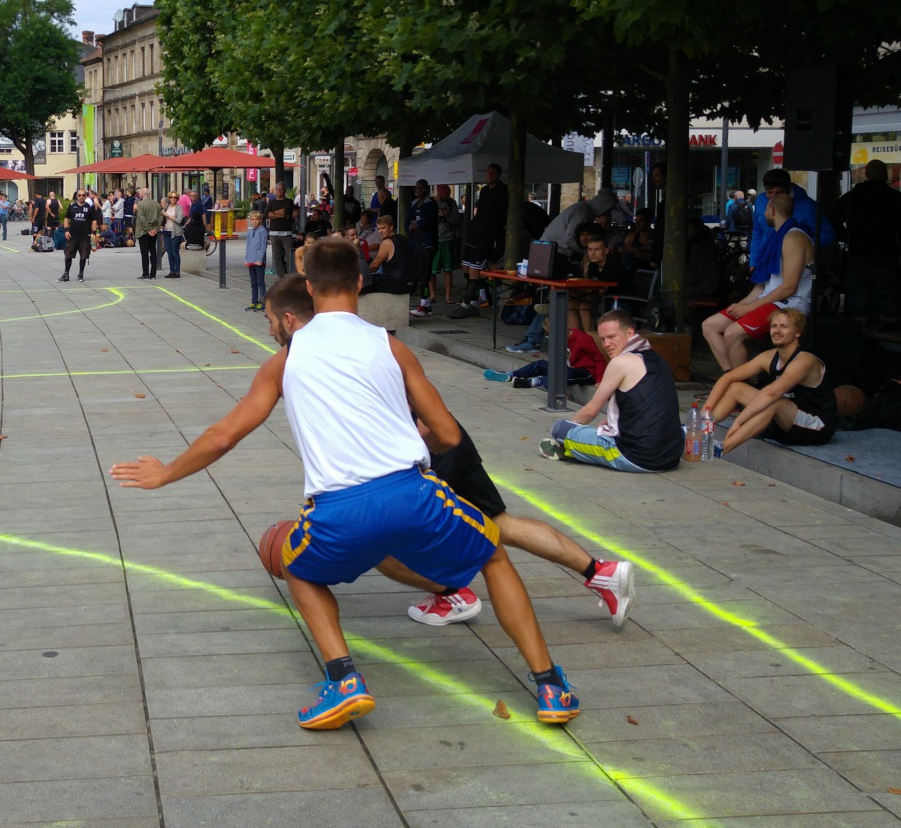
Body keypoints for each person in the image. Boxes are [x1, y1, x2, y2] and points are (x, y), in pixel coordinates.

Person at [110, 239, 582, 728]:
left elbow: (224, 435)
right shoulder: (391, 346)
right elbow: (447, 434)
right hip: (413, 490)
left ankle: (343, 681)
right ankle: (550, 687)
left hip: (338, 507)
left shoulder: (285, 361)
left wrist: (166, 473)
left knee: (297, 566)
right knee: (493, 554)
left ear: (309, 289)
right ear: (360, 283)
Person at [266, 274, 636, 628]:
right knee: (499, 525)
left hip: (422, 454)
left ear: (291, 319)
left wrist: (405, 461)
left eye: (271, 321)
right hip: (446, 439)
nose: (269, 331)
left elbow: (421, 425)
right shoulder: (357, 340)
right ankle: (600, 572)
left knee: (379, 541)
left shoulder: (321, 354)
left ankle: (453, 594)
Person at [540, 309, 681, 472]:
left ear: (629, 333)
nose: (606, 344)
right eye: (602, 339)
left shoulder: (620, 362)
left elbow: (590, 412)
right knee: (602, 425)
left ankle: (571, 448)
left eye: (612, 337)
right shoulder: (656, 358)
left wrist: (569, 431)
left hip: (635, 457)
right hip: (671, 458)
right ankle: (579, 450)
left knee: (560, 429)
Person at [703, 308, 837, 457]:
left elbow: (771, 393)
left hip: (816, 427)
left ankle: (720, 449)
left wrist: (738, 421)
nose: (777, 330)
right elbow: (727, 378)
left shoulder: (805, 360)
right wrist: (703, 414)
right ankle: (699, 429)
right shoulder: (769, 356)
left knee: (773, 401)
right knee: (736, 387)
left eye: (784, 326)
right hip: (784, 421)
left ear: (797, 332)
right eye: (774, 326)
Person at [702, 193, 814, 370]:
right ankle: (731, 378)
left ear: (771, 210)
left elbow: (789, 287)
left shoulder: (793, 238)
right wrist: (742, 304)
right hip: (771, 300)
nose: (762, 214)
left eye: (764, 210)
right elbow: (763, 284)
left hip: (790, 304)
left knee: (732, 334)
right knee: (710, 326)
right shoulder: (776, 237)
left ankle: (741, 385)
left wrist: (749, 308)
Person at [830, 159, 901, 330]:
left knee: (857, 305)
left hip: (857, 254)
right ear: (886, 176)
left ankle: (859, 344)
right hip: (885, 255)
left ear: (867, 175)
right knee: (891, 304)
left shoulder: (852, 197)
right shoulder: (894, 198)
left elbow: (834, 221)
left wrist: (848, 238)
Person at [749, 169, 835, 275]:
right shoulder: (761, 201)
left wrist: (803, 246)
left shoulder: (808, 207)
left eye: (779, 193)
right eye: (770, 193)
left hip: (794, 265)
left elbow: (828, 234)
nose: (774, 197)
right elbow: (758, 233)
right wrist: (754, 262)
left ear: (788, 188)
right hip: (766, 263)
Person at [452, 164, 509, 318]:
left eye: (492, 173)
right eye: (487, 172)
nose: (489, 175)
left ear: (498, 174)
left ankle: (467, 303)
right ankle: (476, 301)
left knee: (476, 270)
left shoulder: (502, 192)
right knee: (469, 268)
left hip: (488, 235)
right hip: (476, 232)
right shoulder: (484, 191)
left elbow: (500, 216)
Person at [485, 320, 606, 388]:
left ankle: (532, 382)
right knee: (540, 364)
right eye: (549, 334)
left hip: (588, 373)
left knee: (564, 374)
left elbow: (599, 359)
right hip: (572, 368)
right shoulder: (561, 339)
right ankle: (510, 375)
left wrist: (600, 380)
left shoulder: (582, 338)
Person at [407, 178, 439, 318]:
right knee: (419, 274)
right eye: (417, 188)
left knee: (424, 276)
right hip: (416, 242)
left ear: (427, 189)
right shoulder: (414, 204)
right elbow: (407, 222)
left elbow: (424, 222)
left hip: (427, 243)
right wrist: (412, 225)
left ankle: (425, 305)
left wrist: (417, 224)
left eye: (422, 188)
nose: (419, 190)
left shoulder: (431, 204)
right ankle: (425, 304)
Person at [364, 215, 414, 295]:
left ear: (391, 227)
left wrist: (363, 273)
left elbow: (375, 265)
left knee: (364, 281)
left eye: (383, 228)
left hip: (397, 283)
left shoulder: (386, 242)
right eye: (378, 228)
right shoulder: (403, 238)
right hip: (411, 283)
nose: (380, 231)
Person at [58, 189, 97, 283]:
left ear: (86, 196)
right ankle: (66, 274)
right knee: (68, 255)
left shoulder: (90, 207)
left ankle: (81, 274)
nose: (81, 197)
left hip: (85, 236)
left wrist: (94, 233)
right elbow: (67, 218)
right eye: (79, 195)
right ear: (76, 196)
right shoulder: (72, 206)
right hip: (73, 235)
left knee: (84, 256)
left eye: (83, 195)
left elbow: (94, 220)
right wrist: (66, 230)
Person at [433, 184, 462, 304]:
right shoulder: (431, 203)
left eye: (449, 194)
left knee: (448, 269)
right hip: (435, 240)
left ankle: (448, 296)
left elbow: (457, 220)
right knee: (432, 270)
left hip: (448, 239)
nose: (448, 196)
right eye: (445, 194)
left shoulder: (452, 203)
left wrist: (447, 214)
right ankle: (432, 295)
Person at [267, 182, 296, 278]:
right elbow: (266, 214)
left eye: (281, 189)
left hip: (286, 233)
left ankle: (291, 277)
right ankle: (281, 277)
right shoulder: (272, 202)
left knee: (289, 256)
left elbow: (287, 211)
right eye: (277, 189)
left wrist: (273, 213)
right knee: (277, 256)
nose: (279, 191)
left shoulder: (289, 202)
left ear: (284, 190)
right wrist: (281, 214)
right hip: (274, 233)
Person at [134, 187, 161, 280]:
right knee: (153, 251)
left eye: (140, 193)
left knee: (144, 253)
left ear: (143, 194)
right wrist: (156, 229)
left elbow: (141, 218)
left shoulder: (140, 204)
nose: (139, 194)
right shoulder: (157, 204)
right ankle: (153, 274)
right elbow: (160, 217)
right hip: (154, 231)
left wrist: (148, 229)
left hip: (143, 231)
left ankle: (145, 273)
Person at [244, 209, 269, 310]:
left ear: (260, 220)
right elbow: (248, 245)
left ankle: (263, 301)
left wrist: (260, 259)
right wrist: (247, 259)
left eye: (256, 219)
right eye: (252, 219)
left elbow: (263, 246)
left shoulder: (262, 231)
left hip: (259, 261)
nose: (254, 221)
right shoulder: (250, 232)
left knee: (260, 282)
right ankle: (254, 301)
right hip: (251, 260)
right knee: (253, 282)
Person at [162, 191, 185, 279]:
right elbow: (162, 215)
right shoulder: (167, 206)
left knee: (175, 252)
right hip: (167, 231)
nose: (173, 199)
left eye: (175, 197)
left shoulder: (179, 208)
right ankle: (172, 271)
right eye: (171, 197)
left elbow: (179, 220)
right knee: (169, 252)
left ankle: (177, 271)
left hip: (175, 232)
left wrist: (167, 215)